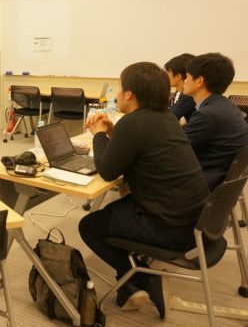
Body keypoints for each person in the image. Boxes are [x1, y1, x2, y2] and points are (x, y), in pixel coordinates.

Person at [79, 62, 209, 320]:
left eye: (119, 87)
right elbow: (138, 145)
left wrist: (99, 134)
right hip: (194, 220)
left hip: (169, 228)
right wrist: (112, 131)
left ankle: (142, 277)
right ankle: (129, 285)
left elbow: (107, 171)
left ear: (129, 94)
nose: (117, 93)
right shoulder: (165, 118)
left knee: (90, 226)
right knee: (114, 212)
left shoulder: (134, 123)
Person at [182, 52, 248, 190]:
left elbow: (175, 150)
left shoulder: (207, 115)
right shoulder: (226, 106)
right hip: (218, 182)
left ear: (199, 81)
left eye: (187, 76)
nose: (184, 81)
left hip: (198, 187)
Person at [163, 53, 195, 122]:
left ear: (178, 76)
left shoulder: (188, 95)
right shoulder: (183, 94)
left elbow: (170, 116)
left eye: (168, 72)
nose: (165, 76)